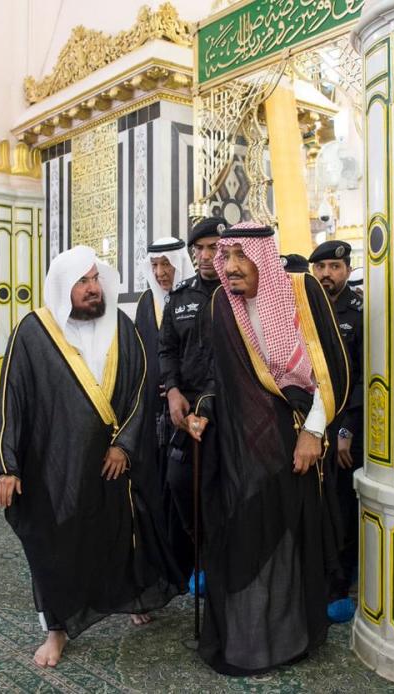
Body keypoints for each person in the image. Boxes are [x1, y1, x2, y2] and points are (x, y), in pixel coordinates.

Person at [0, 246, 182, 669]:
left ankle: (129, 596)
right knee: (58, 544)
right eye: (82, 282)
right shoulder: (33, 332)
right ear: (64, 288)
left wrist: (125, 446)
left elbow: (141, 389)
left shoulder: (121, 326)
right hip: (54, 463)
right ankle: (57, 631)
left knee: (119, 534)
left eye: (95, 279)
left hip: (113, 462)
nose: (93, 289)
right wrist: (6, 466)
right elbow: (13, 401)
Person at [186, 222, 349, 675]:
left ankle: (292, 631)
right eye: (226, 256)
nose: (232, 267)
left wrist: (313, 432)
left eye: (241, 256)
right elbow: (211, 373)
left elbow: (332, 367)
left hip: (295, 436)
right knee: (244, 530)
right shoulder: (221, 303)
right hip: (238, 442)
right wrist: (201, 410)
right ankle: (247, 628)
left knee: (292, 533)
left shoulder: (302, 291)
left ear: (262, 255)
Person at [157, 216, 225, 577]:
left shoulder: (239, 291)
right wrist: (172, 392)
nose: (205, 255)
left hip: (229, 410)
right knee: (179, 481)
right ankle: (199, 555)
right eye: (198, 248)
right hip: (186, 410)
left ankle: (222, 562)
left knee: (223, 487)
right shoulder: (180, 296)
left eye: (213, 247)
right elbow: (166, 349)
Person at [133, 236, 195, 574]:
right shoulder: (145, 303)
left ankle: (189, 562)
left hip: (188, 411)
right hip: (152, 415)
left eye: (166, 265)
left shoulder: (193, 300)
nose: (160, 272)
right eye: (155, 265)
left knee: (182, 484)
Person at [310, 240, 364, 621]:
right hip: (309, 424)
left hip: (344, 428)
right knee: (316, 505)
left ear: (346, 269)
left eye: (333, 267)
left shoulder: (358, 313)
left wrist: (347, 429)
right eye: (321, 268)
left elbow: (362, 377)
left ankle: (340, 585)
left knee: (342, 507)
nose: (326, 274)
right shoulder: (305, 307)